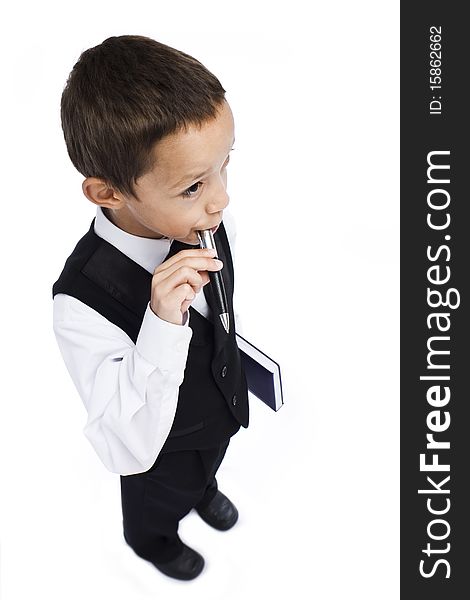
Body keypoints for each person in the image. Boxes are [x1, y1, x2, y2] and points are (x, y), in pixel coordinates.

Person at [52, 35, 249, 581]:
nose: (221, 199)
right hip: (155, 458)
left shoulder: (199, 217)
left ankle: (205, 487)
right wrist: (161, 323)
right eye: (193, 186)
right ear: (107, 192)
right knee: (154, 506)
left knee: (206, 463)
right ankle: (154, 545)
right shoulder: (80, 303)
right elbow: (124, 444)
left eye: (225, 166)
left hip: (216, 415)